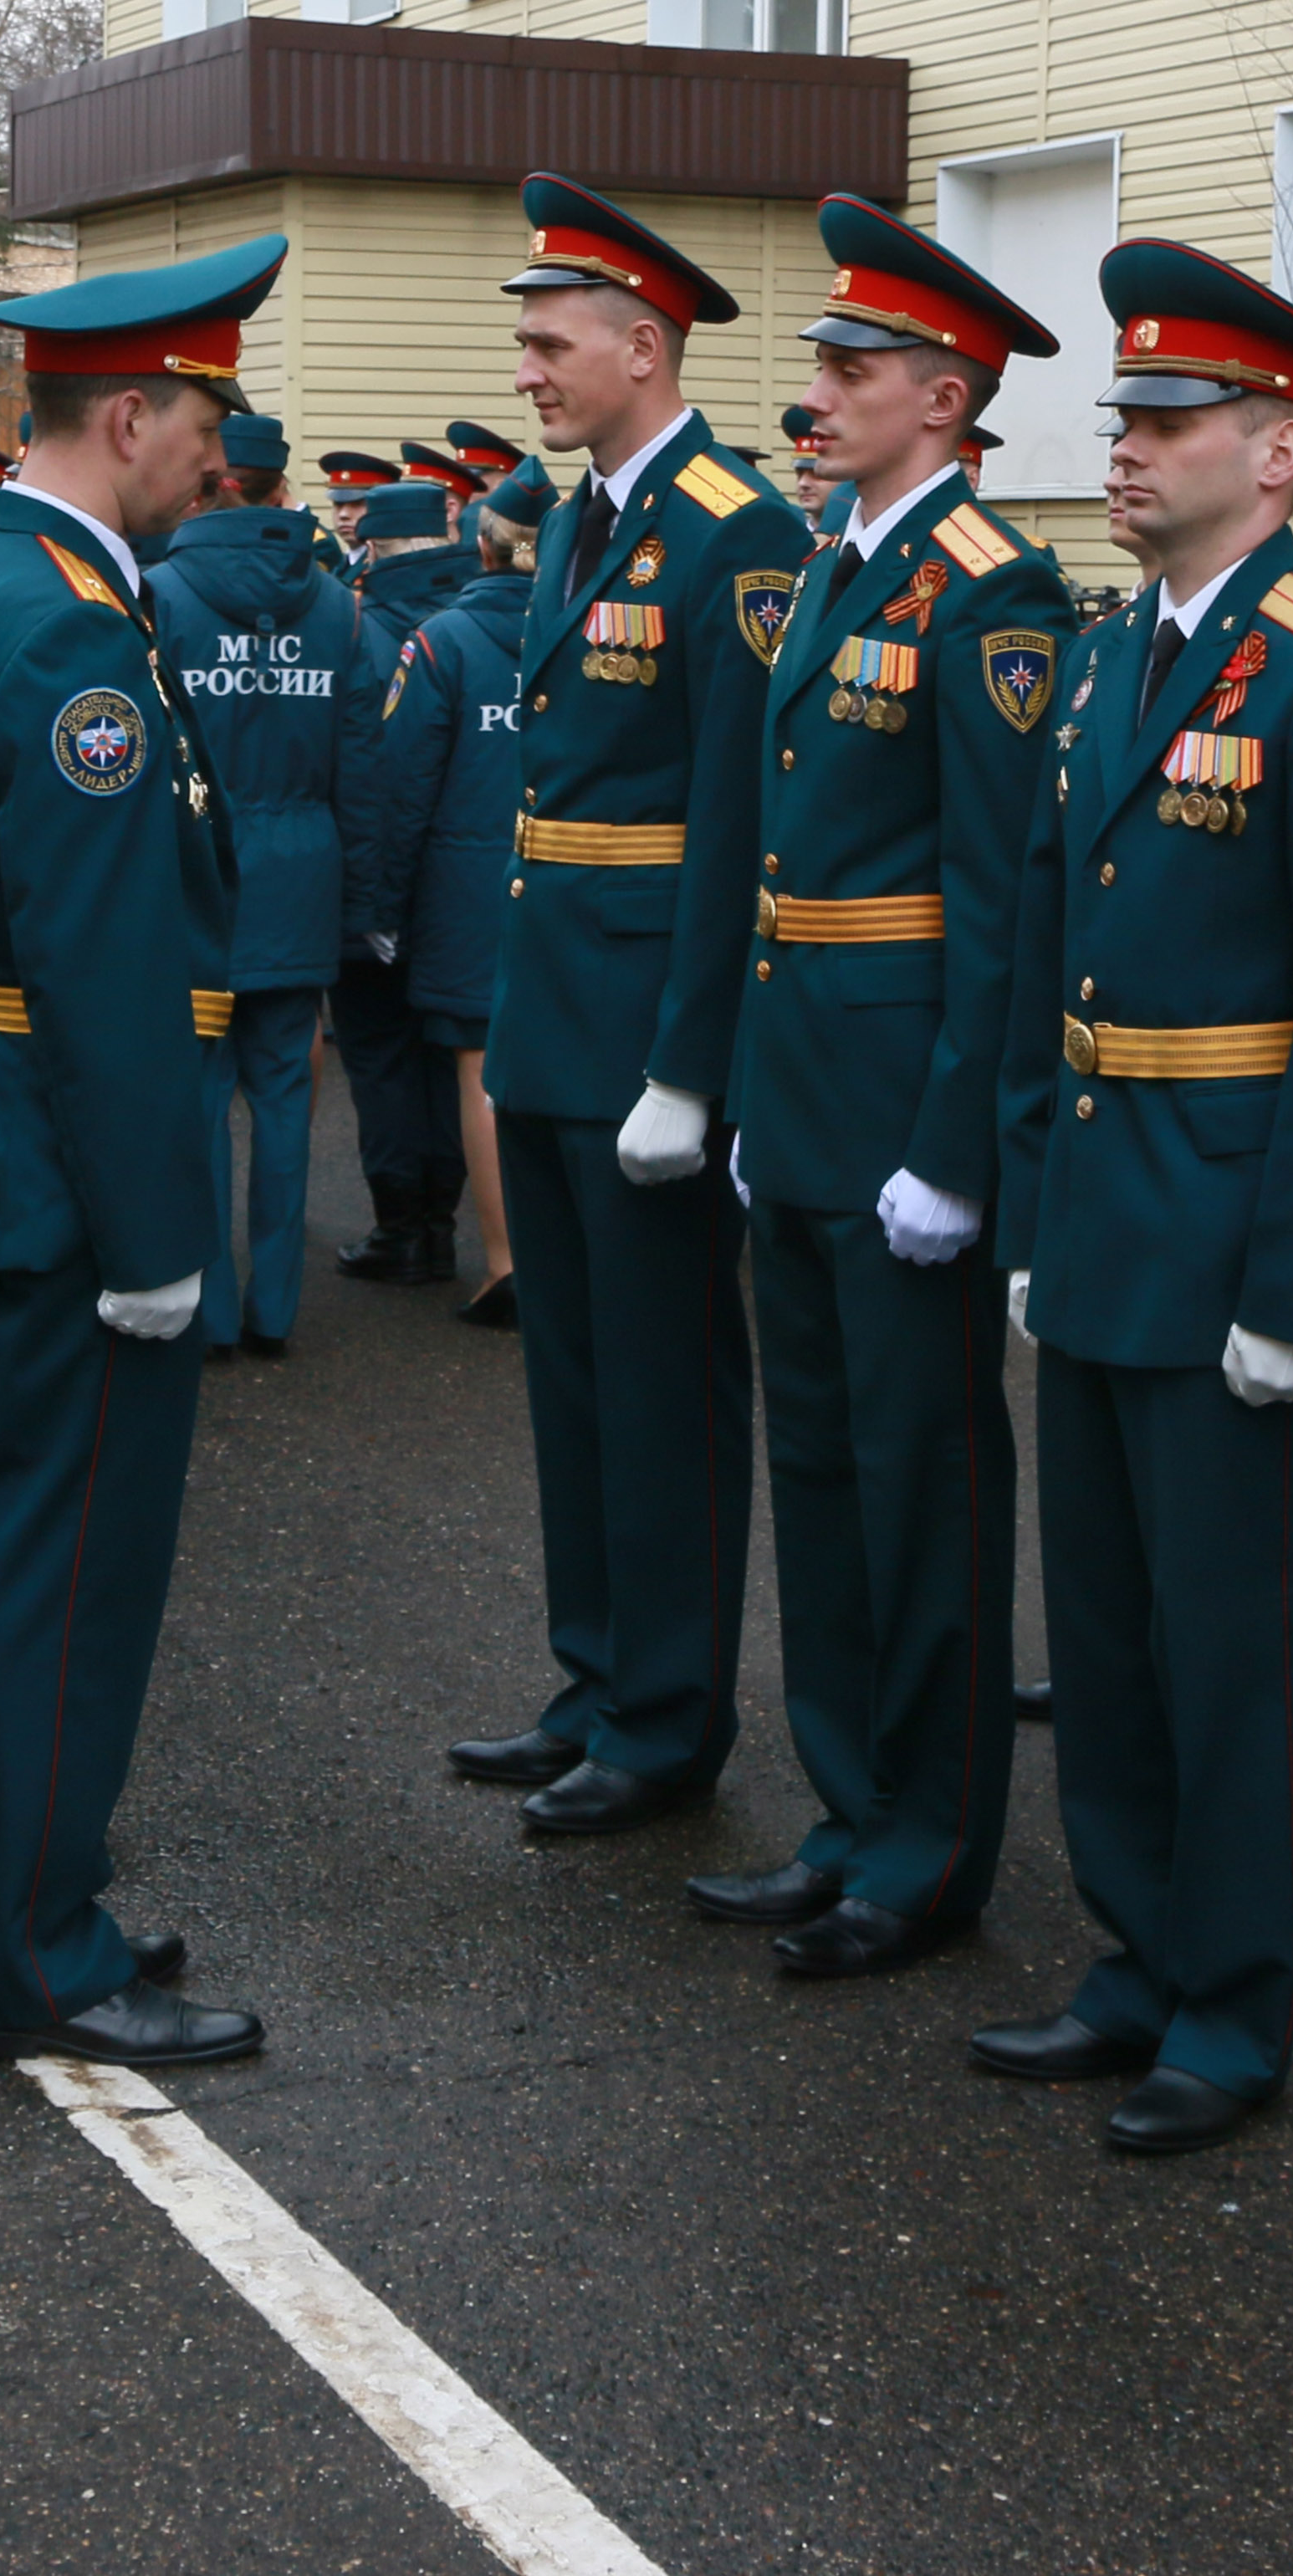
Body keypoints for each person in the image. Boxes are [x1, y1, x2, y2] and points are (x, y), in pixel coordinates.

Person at [979, 243, 1293, 2152]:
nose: (1126, 448)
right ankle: (1131, 1946)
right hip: (1096, 1217)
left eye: (1165, 425)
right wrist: (1018, 1212)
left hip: (1229, 1233)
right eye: (1124, 420)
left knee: (1225, 1642)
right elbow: (1038, 955)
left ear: (1275, 447)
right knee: (1100, 1629)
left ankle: (1231, 2005)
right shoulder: (1102, 661)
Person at [0, 238, 268, 2067]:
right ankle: (36, 1952)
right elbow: (105, 962)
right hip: (66, 1159)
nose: (222, 451)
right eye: (203, 417)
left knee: (0, 1545)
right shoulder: (65, 627)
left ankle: (8, 1907)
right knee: (64, 1569)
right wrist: (153, 1233)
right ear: (125, 415)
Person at [708, 194, 1071, 1978]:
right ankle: (848, 1809)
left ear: (944, 398)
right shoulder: (841, 562)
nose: (823, 392)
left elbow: (1001, 899)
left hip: (903, 1108)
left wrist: (957, 1147)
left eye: (856, 368)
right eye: (825, 364)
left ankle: (925, 1852)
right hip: (808, 1087)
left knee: (922, 1486)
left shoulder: (989, 589)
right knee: (827, 1475)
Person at [443, 176, 797, 1837]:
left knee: (663, 1385)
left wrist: (691, 1059)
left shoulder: (738, 526)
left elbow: (737, 814)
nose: (526, 369)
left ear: (641, 347)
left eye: (547, 343)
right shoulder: (581, 511)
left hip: (647, 1010)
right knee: (574, 1376)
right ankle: (594, 1674)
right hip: (553, 994)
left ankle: (667, 1715)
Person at [153, 452, 380, 1355]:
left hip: (198, 875)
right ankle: (274, 1310)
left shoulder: (161, 593)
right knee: (286, 1100)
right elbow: (363, 767)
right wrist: (361, 897)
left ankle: (207, 1307)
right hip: (302, 873)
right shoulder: (338, 603)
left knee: (200, 1099)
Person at [350, 475, 536, 1330]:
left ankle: (505, 1264)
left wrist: (382, 904)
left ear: (484, 547)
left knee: (481, 1071)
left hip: (464, 889)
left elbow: (403, 786)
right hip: (569, 877)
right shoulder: (593, 631)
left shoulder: (444, 642)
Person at [332, 445, 483, 1291]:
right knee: (446, 1058)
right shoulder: (492, 617)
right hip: (467, 887)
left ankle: (405, 1226)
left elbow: (368, 770)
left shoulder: (363, 629)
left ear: (378, 553)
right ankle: (447, 1217)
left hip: (381, 877)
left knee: (383, 1056)